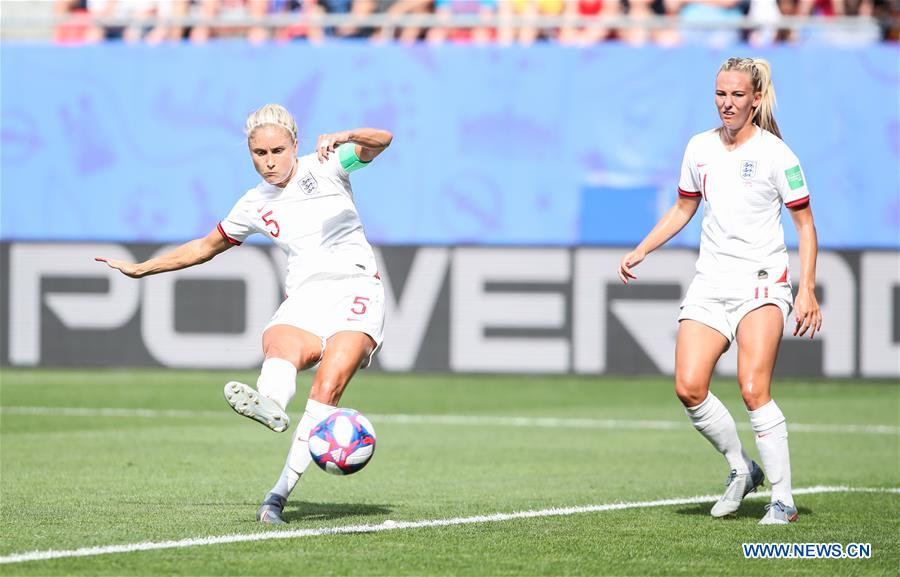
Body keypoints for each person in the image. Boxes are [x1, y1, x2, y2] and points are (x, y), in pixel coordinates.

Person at [96, 104, 392, 525]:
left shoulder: (328, 164)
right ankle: (270, 401)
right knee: (278, 341)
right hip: (307, 296)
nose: (269, 162)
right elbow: (204, 247)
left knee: (327, 387)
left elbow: (382, 140)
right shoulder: (253, 204)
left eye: (277, 150)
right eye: (259, 153)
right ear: (250, 153)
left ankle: (275, 498)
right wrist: (143, 268)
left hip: (357, 289)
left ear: (295, 144)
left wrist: (346, 135)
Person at [618, 57, 821, 525]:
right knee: (688, 387)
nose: (727, 103)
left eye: (736, 95)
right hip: (711, 281)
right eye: (720, 94)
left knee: (753, 389)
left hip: (762, 283)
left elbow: (805, 225)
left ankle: (784, 500)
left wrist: (806, 289)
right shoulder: (699, 148)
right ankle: (740, 469)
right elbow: (683, 207)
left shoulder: (778, 155)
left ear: (755, 99)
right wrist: (642, 249)